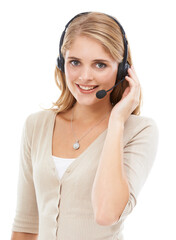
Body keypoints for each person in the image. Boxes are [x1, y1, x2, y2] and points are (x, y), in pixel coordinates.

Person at [11, 12, 159, 240]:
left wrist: (117, 122)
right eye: (75, 62)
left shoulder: (139, 130)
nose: (85, 76)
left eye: (100, 64)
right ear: (62, 63)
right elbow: (25, 226)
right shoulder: (36, 126)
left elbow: (106, 213)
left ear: (122, 71)